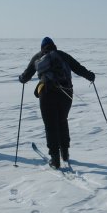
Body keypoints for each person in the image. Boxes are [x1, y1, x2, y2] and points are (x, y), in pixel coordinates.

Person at [18, 37, 95, 168]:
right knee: (62, 120)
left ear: (42, 47)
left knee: (50, 125)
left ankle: (55, 159)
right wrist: (90, 76)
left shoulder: (38, 57)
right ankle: (65, 153)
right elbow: (78, 68)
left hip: (46, 93)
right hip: (66, 93)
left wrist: (21, 79)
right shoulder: (63, 55)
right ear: (54, 46)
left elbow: (26, 76)